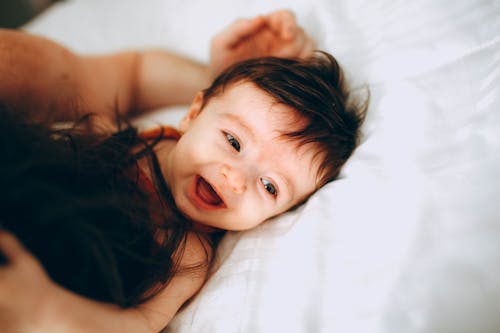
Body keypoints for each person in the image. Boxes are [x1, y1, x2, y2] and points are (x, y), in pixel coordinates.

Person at [0, 10, 367, 333]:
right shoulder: (144, 138)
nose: (236, 179)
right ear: (193, 113)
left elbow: (140, 325)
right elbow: (121, 91)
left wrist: (47, 312)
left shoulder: (188, 256)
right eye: (234, 143)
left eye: (270, 187)